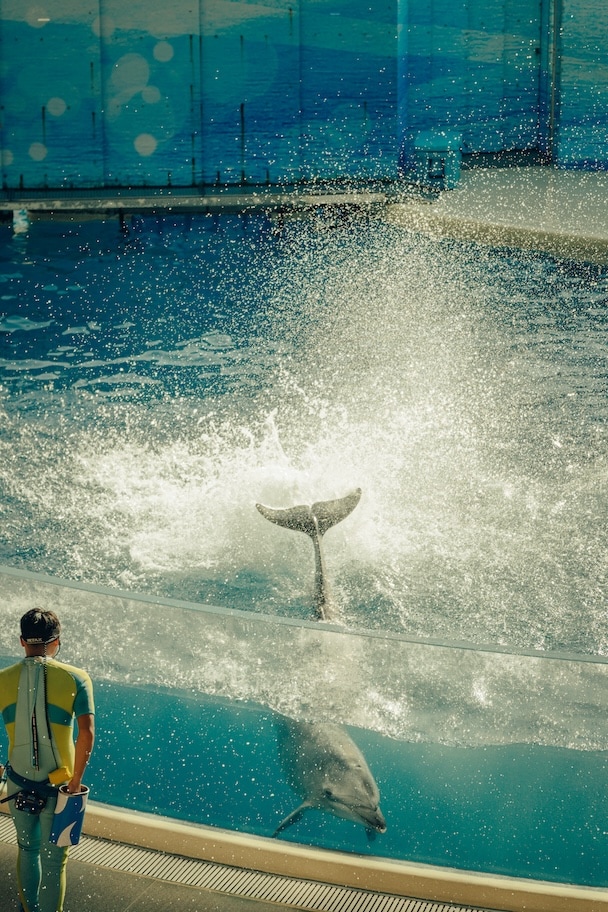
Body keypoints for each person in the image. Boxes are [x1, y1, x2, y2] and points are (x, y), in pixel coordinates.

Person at [0, 609, 95, 912]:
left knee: (27, 851)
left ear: (21, 641)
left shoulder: (2, 680)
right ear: (57, 641)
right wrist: (76, 782)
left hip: (17, 784)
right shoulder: (77, 678)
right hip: (63, 788)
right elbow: (87, 734)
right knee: (55, 861)